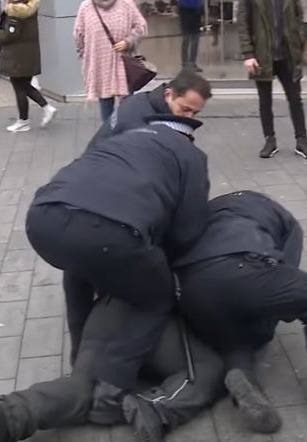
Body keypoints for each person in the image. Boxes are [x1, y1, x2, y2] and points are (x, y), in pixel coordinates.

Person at [26, 114, 210, 424]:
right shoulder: (190, 155)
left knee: (78, 269)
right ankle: (110, 392)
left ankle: (80, 357)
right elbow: (187, 230)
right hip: (109, 233)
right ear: (187, 137)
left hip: (42, 219)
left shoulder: (120, 140)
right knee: (156, 299)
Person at [175, 190, 307, 430]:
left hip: (190, 287)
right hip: (241, 264)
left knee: (233, 339)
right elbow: (285, 273)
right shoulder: (284, 219)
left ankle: (241, 374)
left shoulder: (204, 212)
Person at [0, 296, 227, 442]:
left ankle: (5, 415)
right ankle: (156, 408)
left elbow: (75, 282)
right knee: (210, 369)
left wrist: (81, 353)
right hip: (164, 324)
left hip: (109, 308)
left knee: (85, 384)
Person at [237, 0, 307, 160]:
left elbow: (299, 17)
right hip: (262, 54)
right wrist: (248, 54)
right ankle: (269, 140)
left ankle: (301, 140)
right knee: (265, 100)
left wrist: (298, 41)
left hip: (288, 54)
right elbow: (243, 24)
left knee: (295, 99)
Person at [86, 69, 212, 151]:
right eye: (185, 109)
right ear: (168, 94)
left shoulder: (146, 100)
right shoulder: (143, 121)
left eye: (195, 113)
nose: (189, 117)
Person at [74, 0, 147, 122]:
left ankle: (124, 134)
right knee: (105, 103)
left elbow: (141, 26)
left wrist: (128, 41)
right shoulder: (86, 7)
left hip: (123, 64)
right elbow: (79, 34)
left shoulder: (126, 4)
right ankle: (109, 136)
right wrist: (87, 54)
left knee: (127, 106)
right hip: (100, 64)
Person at [0, 0, 57, 133]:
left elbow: (10, 34)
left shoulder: (15, 12)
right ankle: (42, 110)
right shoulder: (31, 9)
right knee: (25, 85)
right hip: (29, 54)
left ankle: (26, 119)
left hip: (16, 56)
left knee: (20, 87)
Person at [178, 0, 202, 72]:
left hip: (196, 8)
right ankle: (185, 63)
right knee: (187, 37)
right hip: (185, 9)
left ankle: (192, 62)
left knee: (195, 37)